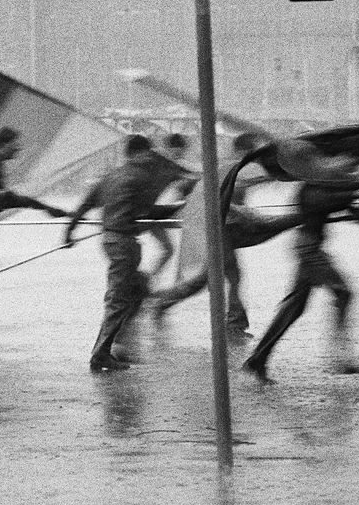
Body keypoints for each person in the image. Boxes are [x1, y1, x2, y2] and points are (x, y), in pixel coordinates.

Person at [242, 141, 359, 382]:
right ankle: (341, 360)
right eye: (353, 163)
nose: (353, 168)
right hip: (309, 250)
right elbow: (327, 203)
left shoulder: (335, 183)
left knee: (294, 308)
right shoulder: (315, 186)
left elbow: (355, 214)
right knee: (343, 293)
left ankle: (258, 359)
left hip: (312, 248)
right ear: (342, 158)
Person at [64, 134, 179, 371]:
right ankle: (101, 354)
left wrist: (69, 232)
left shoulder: (111, 176)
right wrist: (182, 208)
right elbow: (150, 212)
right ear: (139, 153)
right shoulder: (139, 177)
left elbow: (85, 204)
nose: (150, 158)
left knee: (137, 292)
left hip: (111, 240)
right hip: (123, 243)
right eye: (147, 153)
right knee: (118, 300)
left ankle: (117, 345)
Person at [150, 132, 271, 340]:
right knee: (218, 276)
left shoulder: (232, 169)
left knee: (221, 276)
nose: (257, 156)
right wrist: (244, 212)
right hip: (213, 230)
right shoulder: (235, 168)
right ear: (245, 151)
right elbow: (216, 199)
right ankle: (232, 323)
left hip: (218, 228)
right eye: (254, 151)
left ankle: (166, 302)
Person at [0, 126, 68, 336]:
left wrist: (47, 209)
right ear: (5, 145)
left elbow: (11, 198)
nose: (18, 148)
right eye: (15, 144)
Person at [145, 133, 199, 281]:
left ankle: (151, 278)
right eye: (178, 151)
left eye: (182, 152)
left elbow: (196, 175)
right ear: (171, 148)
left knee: (169, 250)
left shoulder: (177, 166)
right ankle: (149, 278)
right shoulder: (157, 160)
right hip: (149, 210)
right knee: (168, 249)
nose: (179, 155)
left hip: (159, 210)